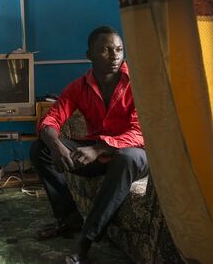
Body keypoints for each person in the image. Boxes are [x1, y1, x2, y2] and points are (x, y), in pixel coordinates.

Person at [30, 26, 148, 264]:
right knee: (40, 148)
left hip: (135, 154)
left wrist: (98, 149)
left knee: (127, 158)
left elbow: (140, 133)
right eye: (105, 50)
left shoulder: (138, 83)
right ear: (89, 55)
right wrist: (55, 145)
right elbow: (51, 119)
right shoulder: (79, 87)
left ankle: (84, 240)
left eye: (119, 49)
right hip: (99, 154)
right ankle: (69, 218)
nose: (115, 55)